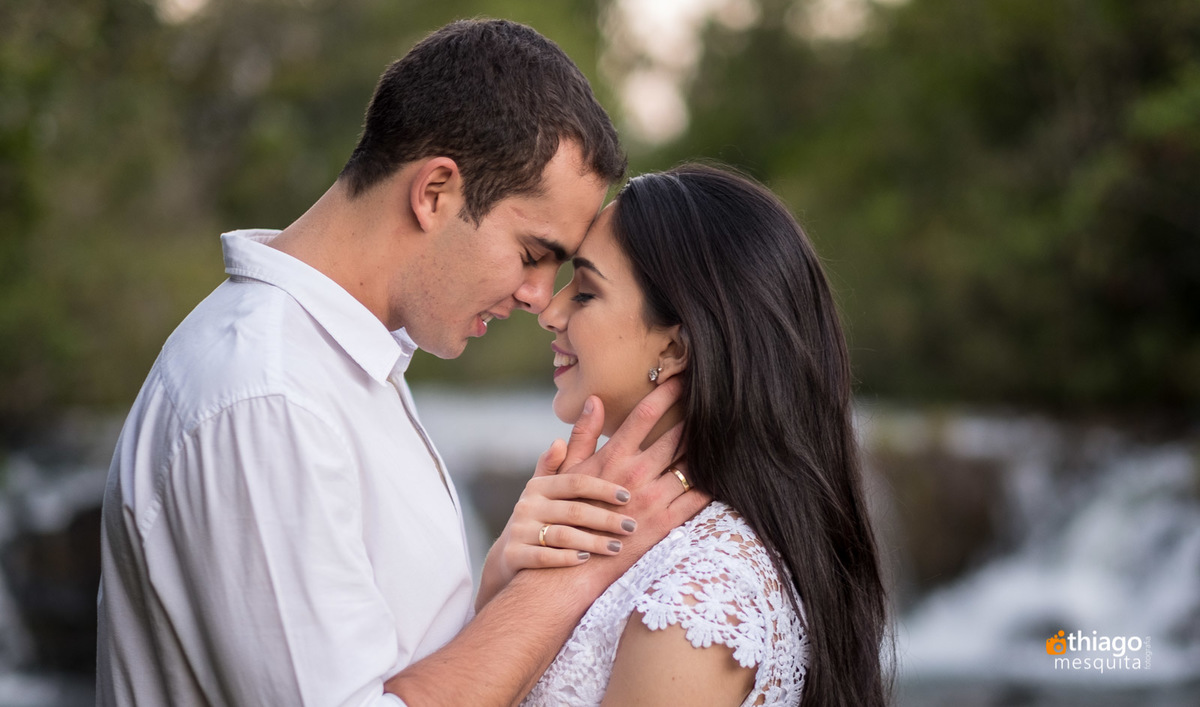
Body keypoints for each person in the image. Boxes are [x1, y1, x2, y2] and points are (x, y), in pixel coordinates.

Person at [96, 19, 707, 706]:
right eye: (534, 254)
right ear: (435, 191)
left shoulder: (338, 362)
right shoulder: (267, 396)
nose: (541, 298)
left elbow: (400, 662)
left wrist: (503, 574)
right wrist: (567, 582)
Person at [476, 165, 891, 706]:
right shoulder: (637, 539)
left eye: (585, 292)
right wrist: (504, 571)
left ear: (675, 348)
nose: (550, 312)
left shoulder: (700, 600)